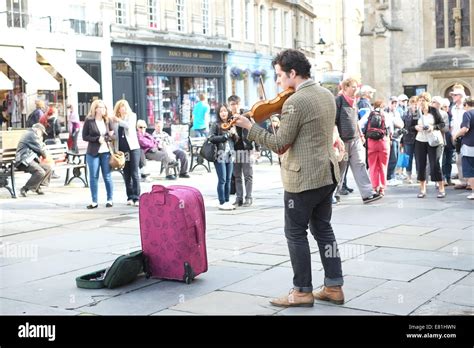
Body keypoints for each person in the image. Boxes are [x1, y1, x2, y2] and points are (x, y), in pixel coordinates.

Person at [234, 49, 343, 308]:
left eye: (280, 76)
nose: (278, 82)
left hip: (302, 178)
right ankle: (334, 286)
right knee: (323, 230)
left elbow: (280, 144)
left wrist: (250, 128)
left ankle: (302, 291)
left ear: (293, 73)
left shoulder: (296, 101)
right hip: (327, 174)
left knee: (295, 233)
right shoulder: (327, 95)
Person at [335, 78, 381, 204]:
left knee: (360, 164)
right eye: (353, 87)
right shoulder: (339, 101)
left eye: (356, 87)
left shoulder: (355, 102)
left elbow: (355, 121)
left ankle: (368, 194)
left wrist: (360, 135)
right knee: (340, 168)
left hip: (355, 140)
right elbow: (333, 121)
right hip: (343, 141)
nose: (356, 89)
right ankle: (333, 195)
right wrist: (337, 138)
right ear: (345, 88)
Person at [410, 92, 446, 198]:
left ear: (428, 101)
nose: (421, 103)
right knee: (421, 164)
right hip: (420, 140)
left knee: (435, 164)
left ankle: (441, 188)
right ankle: (422, 189)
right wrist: (416, 127)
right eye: (419, 100)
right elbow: (411, 127)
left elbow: (442, 124)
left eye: (423, 100)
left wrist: (432, 127)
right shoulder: (417, 112)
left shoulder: (434, 111)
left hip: (433, 140)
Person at [82, 99, 114, 209]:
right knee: (93, 177)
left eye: (104, 107)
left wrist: (105, 138)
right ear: (95, 109)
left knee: (107, 176)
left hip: (105, 152)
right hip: (92, 152)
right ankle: (94, 201)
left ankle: (110, 199)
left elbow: (113, 135)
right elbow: (84, 136)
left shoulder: (108, 120)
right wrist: (96, 139)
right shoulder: (89, 121)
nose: (103, 109)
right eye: (100, 107)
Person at [111, 100, 141, 207]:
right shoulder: (115, 121)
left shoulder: (132, 116)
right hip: (122, 150)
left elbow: (129, 126)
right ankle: (130, 196)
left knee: (134, 173)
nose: (122, 109)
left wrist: (118, 120)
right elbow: (115, 135)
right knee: (126, 174)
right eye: (120, 107)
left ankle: (137, 197)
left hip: (133, 148)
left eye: (124, 107)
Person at [228, 95, 254, 207]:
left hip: (246, 148)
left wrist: (256, 148)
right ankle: (239, 198)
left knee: (248, 175)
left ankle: (248, 198)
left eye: (236, 104)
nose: (234, 106)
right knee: (237, 176)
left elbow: (254, 130)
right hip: (235, 150)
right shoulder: (228, 118)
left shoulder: (246, 115)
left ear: (239, 104)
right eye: (232, 104)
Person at [209, 104, 237, 211]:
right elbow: (211, 138)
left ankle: (227, 201)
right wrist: (224, 136)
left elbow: (235, 141)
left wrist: (234, 134)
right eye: (221, 111)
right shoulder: (215, 124)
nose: (223, 113)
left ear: (228, 112)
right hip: (219, 155)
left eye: (225, 111)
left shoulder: (231, 124)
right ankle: (221, 202)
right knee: (222, 180)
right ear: (218, 114)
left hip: (230, 155)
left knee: (229, 180)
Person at [362, 100, 390, 196]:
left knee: (373, 165)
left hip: (371, 142)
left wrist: (362, 136)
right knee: (383, 165)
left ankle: (374, 187)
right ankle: (382, 188)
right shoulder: (386, 114)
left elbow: (360, 124)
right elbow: (395, 125)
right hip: (383, 142)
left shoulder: (369, 114)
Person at [15, 123, 52, 197]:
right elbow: (40, 149)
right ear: (38, 130)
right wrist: (45, 155)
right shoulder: (31, 134)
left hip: (29, 160)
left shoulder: (32, 135)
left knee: (48, 168)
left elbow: (40, 147)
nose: (42, 135)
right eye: (42, 133)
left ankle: (37, 186)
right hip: (23, 160)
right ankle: (25, 189)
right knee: (40, 172)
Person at [454, 97, 474, 200]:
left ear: (466, 105)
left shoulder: (468, 114)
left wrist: (455, 135)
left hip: (470, 145)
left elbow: (465, 129)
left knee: (470, 170)